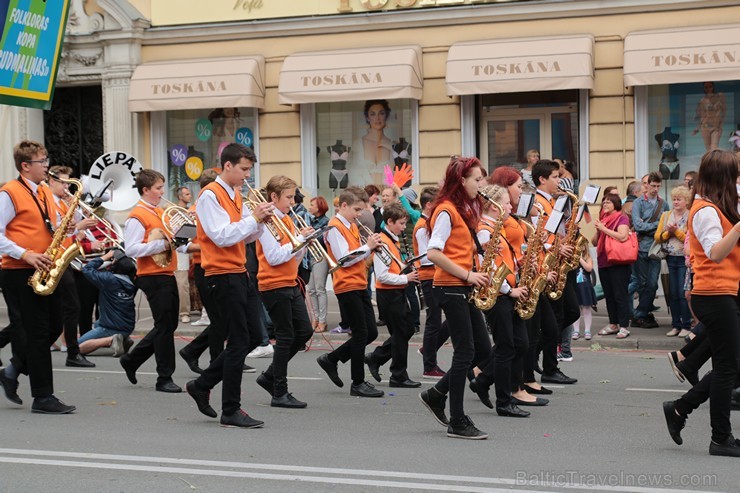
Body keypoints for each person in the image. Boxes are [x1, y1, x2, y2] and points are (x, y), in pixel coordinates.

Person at [185, 143, 273, 429]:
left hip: (238, 271)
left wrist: (259, 224)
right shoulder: (211, 195)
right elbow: (221, 236)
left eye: (250, 169)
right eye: (244, 169)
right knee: (237, 342)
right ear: (227, 166)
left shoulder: (234, 194)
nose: (247, 176)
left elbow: (243, 237)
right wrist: (253, 219)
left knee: (248, 339)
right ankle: (230, 409)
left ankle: (202, 384)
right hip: (221, 275)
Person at [663, 149, 740, 457]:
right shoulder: (706, 210)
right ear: (722, 178)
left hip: (726, 292)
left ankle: (681, 407)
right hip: (714, 293)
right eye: (733, 175)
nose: (736, 181)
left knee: (732, 366)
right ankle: (720, 438)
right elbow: (716, 253)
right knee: (727, 369)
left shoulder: (719, 206)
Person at [418, 156, 491, 440]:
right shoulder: (446, 210)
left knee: (483, 351)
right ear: (461, 180)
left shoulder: (462, 209)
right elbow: (434, 253)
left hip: (463, 285)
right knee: (464, 353)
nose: (481, 184)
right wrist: (468, 274)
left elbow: (459, 246)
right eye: (477, 179)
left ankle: (436, 394)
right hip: (450, 286)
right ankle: (457, 420)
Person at [0, 140, 76, 414]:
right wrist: (25, 254)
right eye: (42, 162)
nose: (47, 166)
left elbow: (51, 227)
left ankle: (13, 370)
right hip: (20, 270)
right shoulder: (9, 193)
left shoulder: (43, 191)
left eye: (46, 160)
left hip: (45, 267)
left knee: (56, 324)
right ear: (25, 166)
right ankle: (43, 397)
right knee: (38, 332)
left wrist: (70, 225)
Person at [317, 186, 384, 398]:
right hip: (346, 285)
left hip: (359, 282)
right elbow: (342, 259)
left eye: (362, 211)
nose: (359, 215)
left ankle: (331, 359)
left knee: (371, 332)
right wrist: (367, 247)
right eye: (356, 210)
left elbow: (357, 256)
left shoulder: (352, 224)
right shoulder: (335, 227)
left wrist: (370, 249)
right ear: (343, 205)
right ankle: (358, 382)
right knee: (361, 332)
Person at [253, 176, 314, 408]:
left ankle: (270, 376)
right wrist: (299, 239)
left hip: (289, 281)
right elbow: (274, 257)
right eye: (288, 197)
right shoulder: (267, 222)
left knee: (304, 331)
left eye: (293, 197)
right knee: (286, 336)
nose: (292, 201)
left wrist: (304, 243)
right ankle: (279, 391)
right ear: (274, 197)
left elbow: (293, 257)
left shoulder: (287, 220)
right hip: (273, 284)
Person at [470, 184, 531, 418]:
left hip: (508, 291)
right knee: (506, 347)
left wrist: (520, 266)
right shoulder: (485, 230)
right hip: (498, 294)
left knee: (520, 343)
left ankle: (483, 380)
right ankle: (504, 401)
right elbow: (491, 265)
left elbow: (504, 260)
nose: (510, 206)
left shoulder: (497, 227)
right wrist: (508, 290)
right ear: (494, 206)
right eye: (506, 203)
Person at [120, 169, 181, 393]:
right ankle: (164, 377)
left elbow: (172, 243)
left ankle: (132, 359)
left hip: (166, 273)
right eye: (158, 188)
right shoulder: (137, 215)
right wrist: (163, 245)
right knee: (165, 328)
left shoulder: (159, 212)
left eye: (162, 187)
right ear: (145, 190)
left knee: (168, 325)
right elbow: (131, 248)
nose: (162, 192)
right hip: (151, 275)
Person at [531, 160, 579, 386]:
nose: (559, 180)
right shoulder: (536, 205)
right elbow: (535, 238)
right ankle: (549, 366)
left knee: (569, 313)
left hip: (557, 264)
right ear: (542, 179)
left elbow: (554, 234)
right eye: (554, 177)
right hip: (547, 265)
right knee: (557, 317)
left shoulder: (551, 202)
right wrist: (557, 248)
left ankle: (535, 357)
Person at [364, 203, 421, 389]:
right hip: (388, 294)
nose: (404, 227)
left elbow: (392, 268)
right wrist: (406, 277)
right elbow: (382, 275)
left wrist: (405, 267)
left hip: (395, 291)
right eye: (402, 223)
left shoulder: (393, 239)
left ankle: (377, 357)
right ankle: (398, 374)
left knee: (405, 331)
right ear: (389, 221)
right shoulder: (383, 242)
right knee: (401, 333)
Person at [46, 166, 96, 368]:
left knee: (62, 308)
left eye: (68, 183)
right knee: (69, 307)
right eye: (63, 182)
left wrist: (79, 230)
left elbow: (67, 233)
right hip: (52, 259)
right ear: (51, 181)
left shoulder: (62, 203)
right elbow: (52, 231)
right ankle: (72, 353)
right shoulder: (48, 201)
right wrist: (79, 227)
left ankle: (71, 352)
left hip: (64, 259)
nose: (66, 187)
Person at [413, 186, 448, 379]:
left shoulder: (429, 224)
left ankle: (428, 350)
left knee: (444, 318)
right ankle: (429, 364)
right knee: (433, 320)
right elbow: (427, 256)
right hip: (428, 275)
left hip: (434, 275)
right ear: (428, 205)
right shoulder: (422, 227)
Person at [77, 250, 137, 357]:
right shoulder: (133, 281)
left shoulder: (109, 280)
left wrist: (106, 256)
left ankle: (112, 339)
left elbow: (87, 269)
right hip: (127, 327)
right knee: (97, 324)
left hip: (110, 327)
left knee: (75, 348)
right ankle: (123, 339)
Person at [631, 171, 669, 328]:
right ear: (646, 185)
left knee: (652, 284)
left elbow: (666, 225)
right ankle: (643, 314)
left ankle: (639, 314)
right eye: (653, 185)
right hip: (641, 248)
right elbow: (638, 226)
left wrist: (651, 226)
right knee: (642, 283)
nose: (655, 189)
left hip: (656, 248)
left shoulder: (664, 203)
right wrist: (657, 225)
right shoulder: (638, 203)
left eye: (658, 186)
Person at [593, 194, 632, 338]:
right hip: (604, 261)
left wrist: (603, 229)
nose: (605, 204)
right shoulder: (603, 219)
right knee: (609, 295)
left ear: (616, 204)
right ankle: (613, 323)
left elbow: (623, 236)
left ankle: (623, 326)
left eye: (609, 202)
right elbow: (595, 242)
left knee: (620, 294)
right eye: (604, 202)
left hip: (618, 262)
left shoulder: (622, 218)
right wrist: (598, 230)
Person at [655, 186, 692, 337]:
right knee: (672, 293)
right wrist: (667, 233)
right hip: (669, 257)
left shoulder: (690, 216)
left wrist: (675, 231)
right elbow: (657, 237)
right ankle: (675, 324)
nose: (676, 202)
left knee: (683, 293)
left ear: (686, 201)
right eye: (674, 199)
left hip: (684, 258)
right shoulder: (666, 215)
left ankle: (686, 325)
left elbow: (690, 239)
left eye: (679, 199)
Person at [307, 196, 330, 332]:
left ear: (319, 207)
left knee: (320, 288)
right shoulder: (312, 220)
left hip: (320, 256)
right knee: (311, 289)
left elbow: (322, 239)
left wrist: (310, 235)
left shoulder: (325, 222)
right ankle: (315, 318)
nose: (309, 207)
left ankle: (322, 320)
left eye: (312, 205)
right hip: (311, 256)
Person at [360, 100, 393, 185]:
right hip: (365, 196)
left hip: (388, 195)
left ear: (386, 116)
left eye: (381, 113)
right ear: (367, 118)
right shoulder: (359, 143)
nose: (377, 118)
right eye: (373, 114)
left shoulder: (392, 145)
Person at [692, 82, 726, 152]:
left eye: (710, 86)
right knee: (708, 150)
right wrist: (697, 128)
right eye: (706, 87)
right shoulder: (703, 101)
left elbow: (724, 112)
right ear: (704, 88)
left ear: (713, 87)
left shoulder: (720, 96)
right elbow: (702, 116)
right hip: (705, 127)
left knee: (714, 148)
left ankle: (715, 162)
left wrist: (721, 124)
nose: (708, 89)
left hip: (716, 127)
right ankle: (709, 163)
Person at [571, 248, 596, 342]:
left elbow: (589, 268)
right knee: (576, 310)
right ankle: (576, 330)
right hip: (575, 287)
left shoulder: (587, 257)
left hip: (585, 288)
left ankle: (587, 330)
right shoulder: (571, 258)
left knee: (586, 309)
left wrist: (580, 258)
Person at [175, 186, 192, 324]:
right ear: (180, 196)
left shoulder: (191, 210)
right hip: (180, 249)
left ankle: (188, 310)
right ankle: (183, 312)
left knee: (188, 283)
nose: (190, 196)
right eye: (186, 194)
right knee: (182, 283)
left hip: (192, 248)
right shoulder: (174, 211)